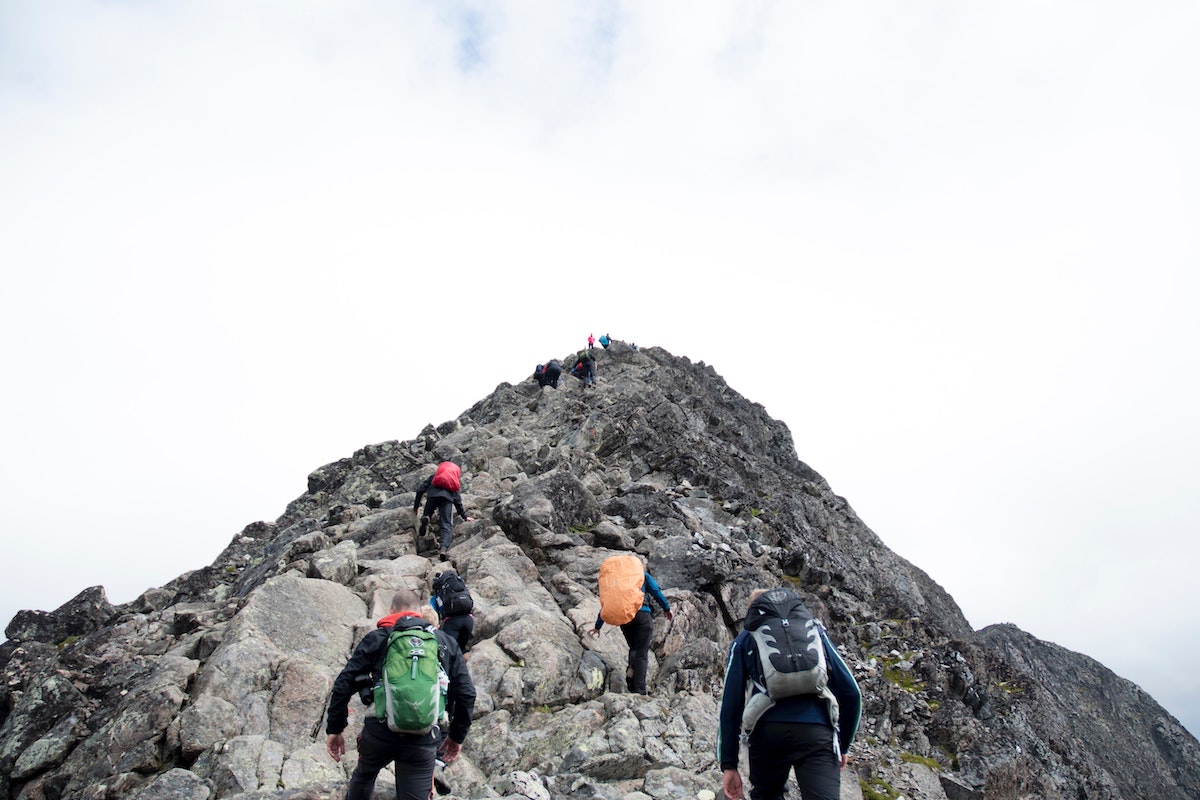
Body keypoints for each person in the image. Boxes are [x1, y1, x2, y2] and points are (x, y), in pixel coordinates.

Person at [325, 588, 476, 800]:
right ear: (419, 613)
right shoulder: (444, 642)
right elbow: (466, 694)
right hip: (422, 736)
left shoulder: (378, 638)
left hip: (379, 732)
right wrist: (456, 737)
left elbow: (343, 684)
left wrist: (335, 729)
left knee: (365, 775)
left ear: (391, 610)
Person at [717, 588, 861, 800]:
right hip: (816, 732)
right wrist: (842, 744)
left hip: (767, 733)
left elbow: (731, 704)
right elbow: (851, 692)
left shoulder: (745, 638)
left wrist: (728, 764)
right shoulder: (813, 630)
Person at [588, 565, 672, 695]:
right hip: (643, 615)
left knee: (634, 647)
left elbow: (610, 603)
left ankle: (631, 677)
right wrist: (666, 608)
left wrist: (598, 625)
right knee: (641, 653)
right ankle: (640, 691)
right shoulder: (641, 575)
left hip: (625, 617)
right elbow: (656, 592)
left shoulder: (617, 581)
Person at [414, 463, 473, 559]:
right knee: (446, 524)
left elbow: (420, 489)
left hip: (432, 496)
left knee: (427, 513)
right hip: (447, 499)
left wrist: (416, 506)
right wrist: (464, 516)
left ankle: (426, 518)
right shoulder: (452, 481)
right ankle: (443, 548)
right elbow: (457, 501)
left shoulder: (435, 477)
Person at [430, 568, 475, 653]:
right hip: (469, 620)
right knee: (462, 650)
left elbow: (432, 611)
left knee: (448, 651)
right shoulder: (461, 587)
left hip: (452, 622)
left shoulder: (439, 593)